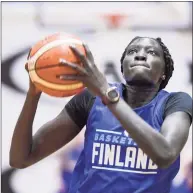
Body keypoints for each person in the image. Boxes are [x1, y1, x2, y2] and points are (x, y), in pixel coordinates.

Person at [10, 36, 192, 193]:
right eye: (132, 51)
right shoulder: (91, 99)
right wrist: (33, 93)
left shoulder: (175, 103)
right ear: (123, 67)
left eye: (152, 52)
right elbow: (21, 158)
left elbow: (165, 154)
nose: (140, 54)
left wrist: (106, 92)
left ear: (163, 73)